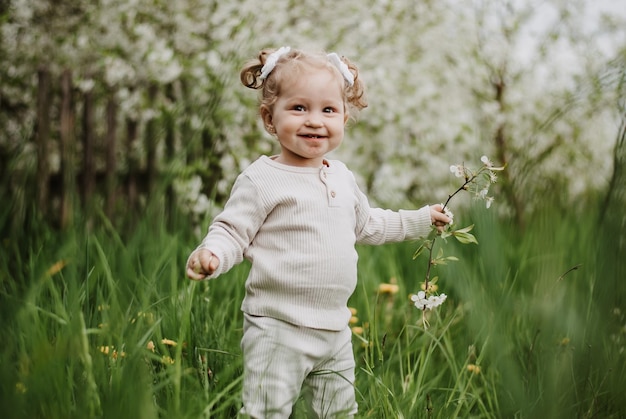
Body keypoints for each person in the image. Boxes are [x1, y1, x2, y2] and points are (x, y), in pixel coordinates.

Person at [186, 46, 451, 418]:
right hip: (277, 329)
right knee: (266, 410)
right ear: (269, 118)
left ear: (344, 116)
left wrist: (421, 220)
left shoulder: (342, 177)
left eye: (328, 110)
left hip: (335, 330)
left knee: (339, 412)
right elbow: (232, 231)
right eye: (299, 108)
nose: (314, 120)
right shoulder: (263, 179)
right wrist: (212, 253)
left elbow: (369, 223)